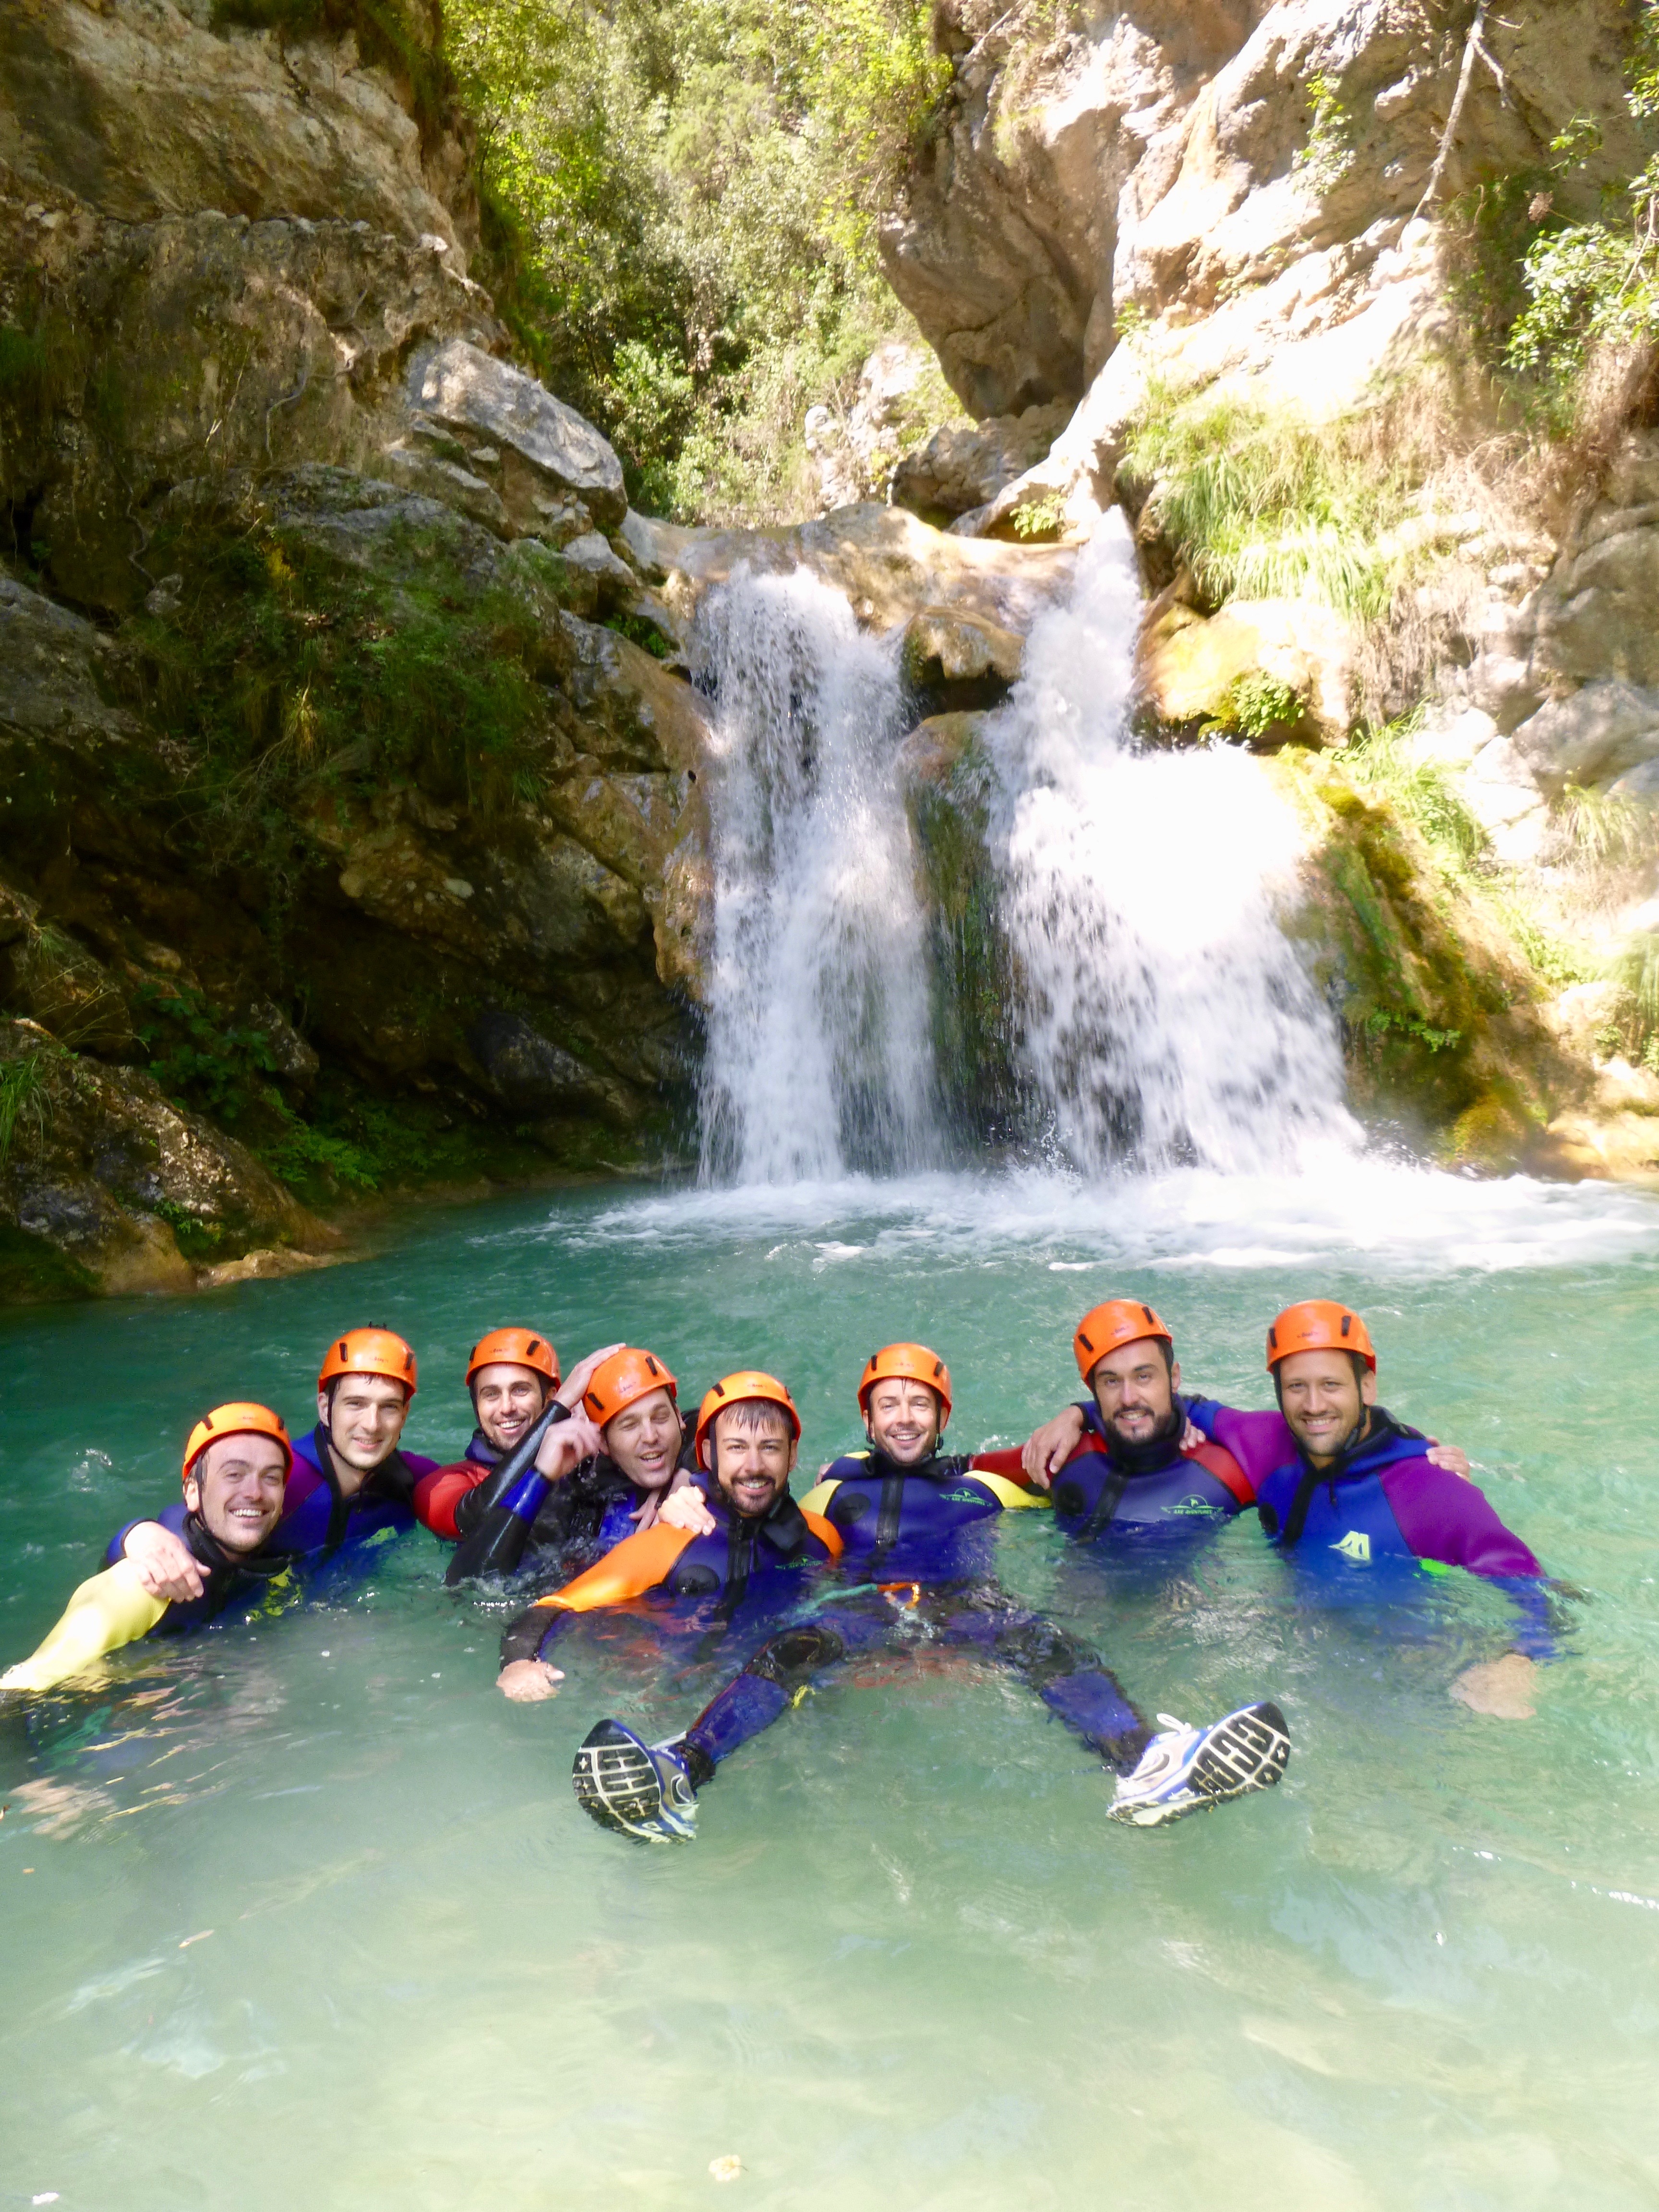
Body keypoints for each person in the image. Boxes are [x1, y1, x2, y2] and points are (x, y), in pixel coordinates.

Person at [572, 1345, 1291, 1840]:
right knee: (786, 1651)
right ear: (867, 1417)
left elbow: (1102, 1446)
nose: (906, 1417)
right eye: (890, 1404)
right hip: (863, 1606)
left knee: (1047, 1643)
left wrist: (1095, 1412)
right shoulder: (831, 1487)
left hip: (966, 1602)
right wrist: (685, 1493)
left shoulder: (987, 1483)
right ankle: (682, 1771)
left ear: (944, 1417)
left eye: (921, 1403)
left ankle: (1145, 1764)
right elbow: (751, 1489)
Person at [1180, 1299, 1558, 1718]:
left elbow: (1545, 1594)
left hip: (1409, 1675)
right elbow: (1179, 1406)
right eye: (1296, 1387)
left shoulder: (1428, 1488)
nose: (1313, 1405)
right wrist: (1089, 1415)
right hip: (1301, 1654)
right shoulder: (1266, 1441)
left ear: (1367, 1387)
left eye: (1331, 1385)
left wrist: (1520, 1661)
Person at [1019, 1299, 1473, 1539]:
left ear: (1172, 1379)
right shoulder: (1064, 1454)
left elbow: (1354, 1435)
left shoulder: (1227, 1463)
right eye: (1111, 1382)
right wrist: (1076, 1415)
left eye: (1145, 1376)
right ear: (1093, 1389)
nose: (1130, 1396)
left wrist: (1419, 1456)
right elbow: (962, 1476)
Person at [107, 1327, 440, 1605]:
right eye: (355, 1404)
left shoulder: (411, 1479)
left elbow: (472, 1494)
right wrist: (137, 1534)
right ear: (325, 1407)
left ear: (405, 1415)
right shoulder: (281, 1478)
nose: (371, 1424)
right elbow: (200, 1521)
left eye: (389, 1408)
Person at [1, 1405, 295, 1694]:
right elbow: (22, 1691)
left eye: (271, 1477)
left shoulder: (273, 1572)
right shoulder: (141, 1584)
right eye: (234, 1474)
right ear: (193, 1491)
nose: (254, 1493)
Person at [410, 1329, 616, 1568]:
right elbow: (478, 1523)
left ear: (549, 1397)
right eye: (491, 1395)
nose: (506, 1407)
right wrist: (559, 1410)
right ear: (477, 1407)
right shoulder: (441, 1485)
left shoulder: (584, 1467)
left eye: (520, 1390)